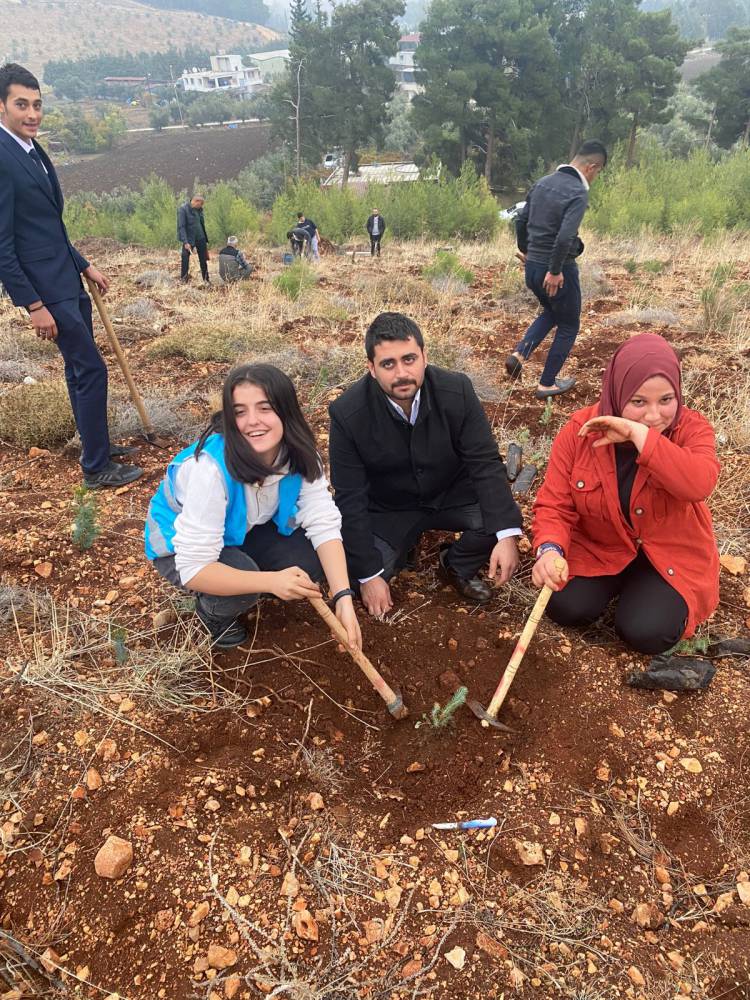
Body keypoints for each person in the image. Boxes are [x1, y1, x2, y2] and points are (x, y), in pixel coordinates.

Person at [145, 363, 362, 651]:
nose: (252, 422)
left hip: (240, 530)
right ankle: (212, 612)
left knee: (310, 561)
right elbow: (194, 568)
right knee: (242, 591)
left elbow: (322, 520)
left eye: (264, 408)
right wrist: (270, 581)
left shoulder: (300, 454)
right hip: (178, 548)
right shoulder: (208, 470)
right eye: (239, 412)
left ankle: (247, 576)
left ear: (286, 410)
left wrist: (343, 598)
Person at [531, 333, 720, 655]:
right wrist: (549, 549)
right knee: (565, 607)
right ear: (617, 393)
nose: (653, 415)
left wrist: (639, 434)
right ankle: (619, 586)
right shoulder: (580, 429)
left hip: (669, 558)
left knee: (646, 632)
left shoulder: (692, 429)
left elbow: (699, 483)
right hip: (602, 549)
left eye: (665, 400)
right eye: (638, 402)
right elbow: (555, 504)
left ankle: (643, 594)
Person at [0, 63, 142, 489]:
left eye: (37, 105)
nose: (32, 113)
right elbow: (3, 244)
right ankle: (96, 469)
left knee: (79, 371)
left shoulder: (31, 150)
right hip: (47, 290)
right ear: (1, 106)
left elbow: (48, 228)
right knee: (92, 369)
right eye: (21, 104)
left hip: (67, 278)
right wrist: (33, 304)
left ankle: (96, 444)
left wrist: (84, 264)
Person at [329, 312, 523, 618]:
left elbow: (484, 463)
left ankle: (455, 564)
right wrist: (369, 576)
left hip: (452, 495)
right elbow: (349, 497)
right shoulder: (347, 413)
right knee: (355, 578)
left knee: (502, 521)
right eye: (388, 364)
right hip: (390, 509)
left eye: (409, 359)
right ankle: (402, 549)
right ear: (371, 368)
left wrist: (507, 535)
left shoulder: (456, 390)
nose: (401, 373)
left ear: (424, 356)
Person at [506, 139, 608, 399]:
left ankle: (520, 354)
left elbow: (521, 220)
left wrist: (527, 251)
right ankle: (547, 383)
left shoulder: (542, 183)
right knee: (569, 325)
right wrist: (554, 270)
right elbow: (564, 237)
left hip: (532, 268)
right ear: (592, 167)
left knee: (552, 311)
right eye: (598, 172)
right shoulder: (577, 191)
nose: (595, 177)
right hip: (557, 269)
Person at [178, 194, 210, 283]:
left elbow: (201, 224)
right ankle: (184, 279)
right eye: (200, 204)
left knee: (203, 259)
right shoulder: (183, 210)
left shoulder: (199, 210)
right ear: (195, 201)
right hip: (189, 239)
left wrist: (205, 239)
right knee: (185, 258)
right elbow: (181, 227)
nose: (201, 206)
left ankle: (206, 279)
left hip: (201, 238)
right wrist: (185, 242)